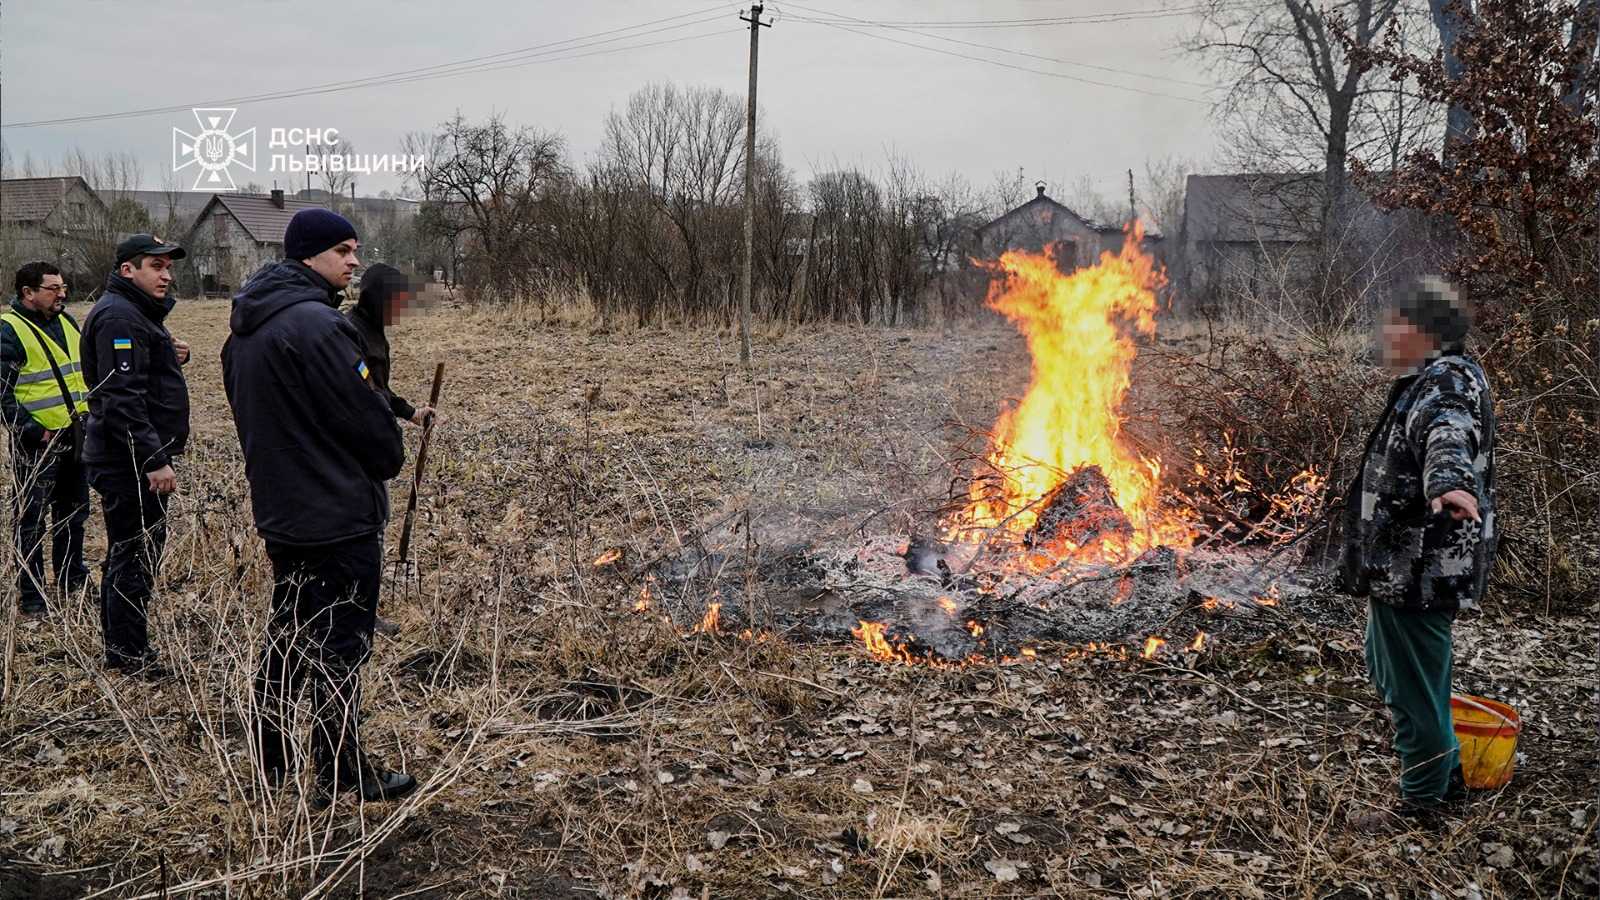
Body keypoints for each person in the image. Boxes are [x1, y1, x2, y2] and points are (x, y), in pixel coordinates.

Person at [222, 208, 417, 805]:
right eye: (344, 251)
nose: (354, 262)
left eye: (356, 250)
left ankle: (271, 757)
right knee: (342, 642)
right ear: (309, 256)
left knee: (287, 633)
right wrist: (391, 447)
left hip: (283, 512)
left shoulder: (242, 334)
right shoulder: (321, 329)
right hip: (337, 514)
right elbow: (370, 427)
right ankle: (341, 768)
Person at [1340, 276, 1496, 831]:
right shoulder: (1433, 377)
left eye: (1397, 323)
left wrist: (1448, 482)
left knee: (1408, 684)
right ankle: (1446, 775)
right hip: (1407, 567)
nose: (1387, 333)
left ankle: (1421, 802)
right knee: (1409, 674)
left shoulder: (1446, 383)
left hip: (1418, 568)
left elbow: (1448, 434)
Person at [81, 235, 191, 677]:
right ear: (128, 270)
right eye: (154, 265)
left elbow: (141, 378)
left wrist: (172, 352)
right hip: (126, 461)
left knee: (134, 552)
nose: (165, 275)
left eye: (167, 267)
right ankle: (128, 653)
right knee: (134, 553)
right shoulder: (118, 317)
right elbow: (121, 399)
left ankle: (124, 646)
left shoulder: (135, 314)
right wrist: (152, 459)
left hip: (130, 456)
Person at [346, 263, 434, 637]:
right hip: (358, 445)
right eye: (396, 300)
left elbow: (378, 386)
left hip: (372, 438)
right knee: (366, 527)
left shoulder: (375, 332)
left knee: (375, 521)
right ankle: (357, 615)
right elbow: (365, 392)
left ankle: (362, 609)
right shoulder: (351, 332)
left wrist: (411, 413)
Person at [3, 262, 92, 616]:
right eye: (53, 288)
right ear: (28, 292)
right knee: (32, 521)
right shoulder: (9, 330)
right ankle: (33, 596)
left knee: (74, 515)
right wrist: (35, 430)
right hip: (36, 446)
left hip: (76, 437)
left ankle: (72, 581)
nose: (62, 294)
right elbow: (2, 396)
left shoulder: (67, 322)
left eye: (63, 287)